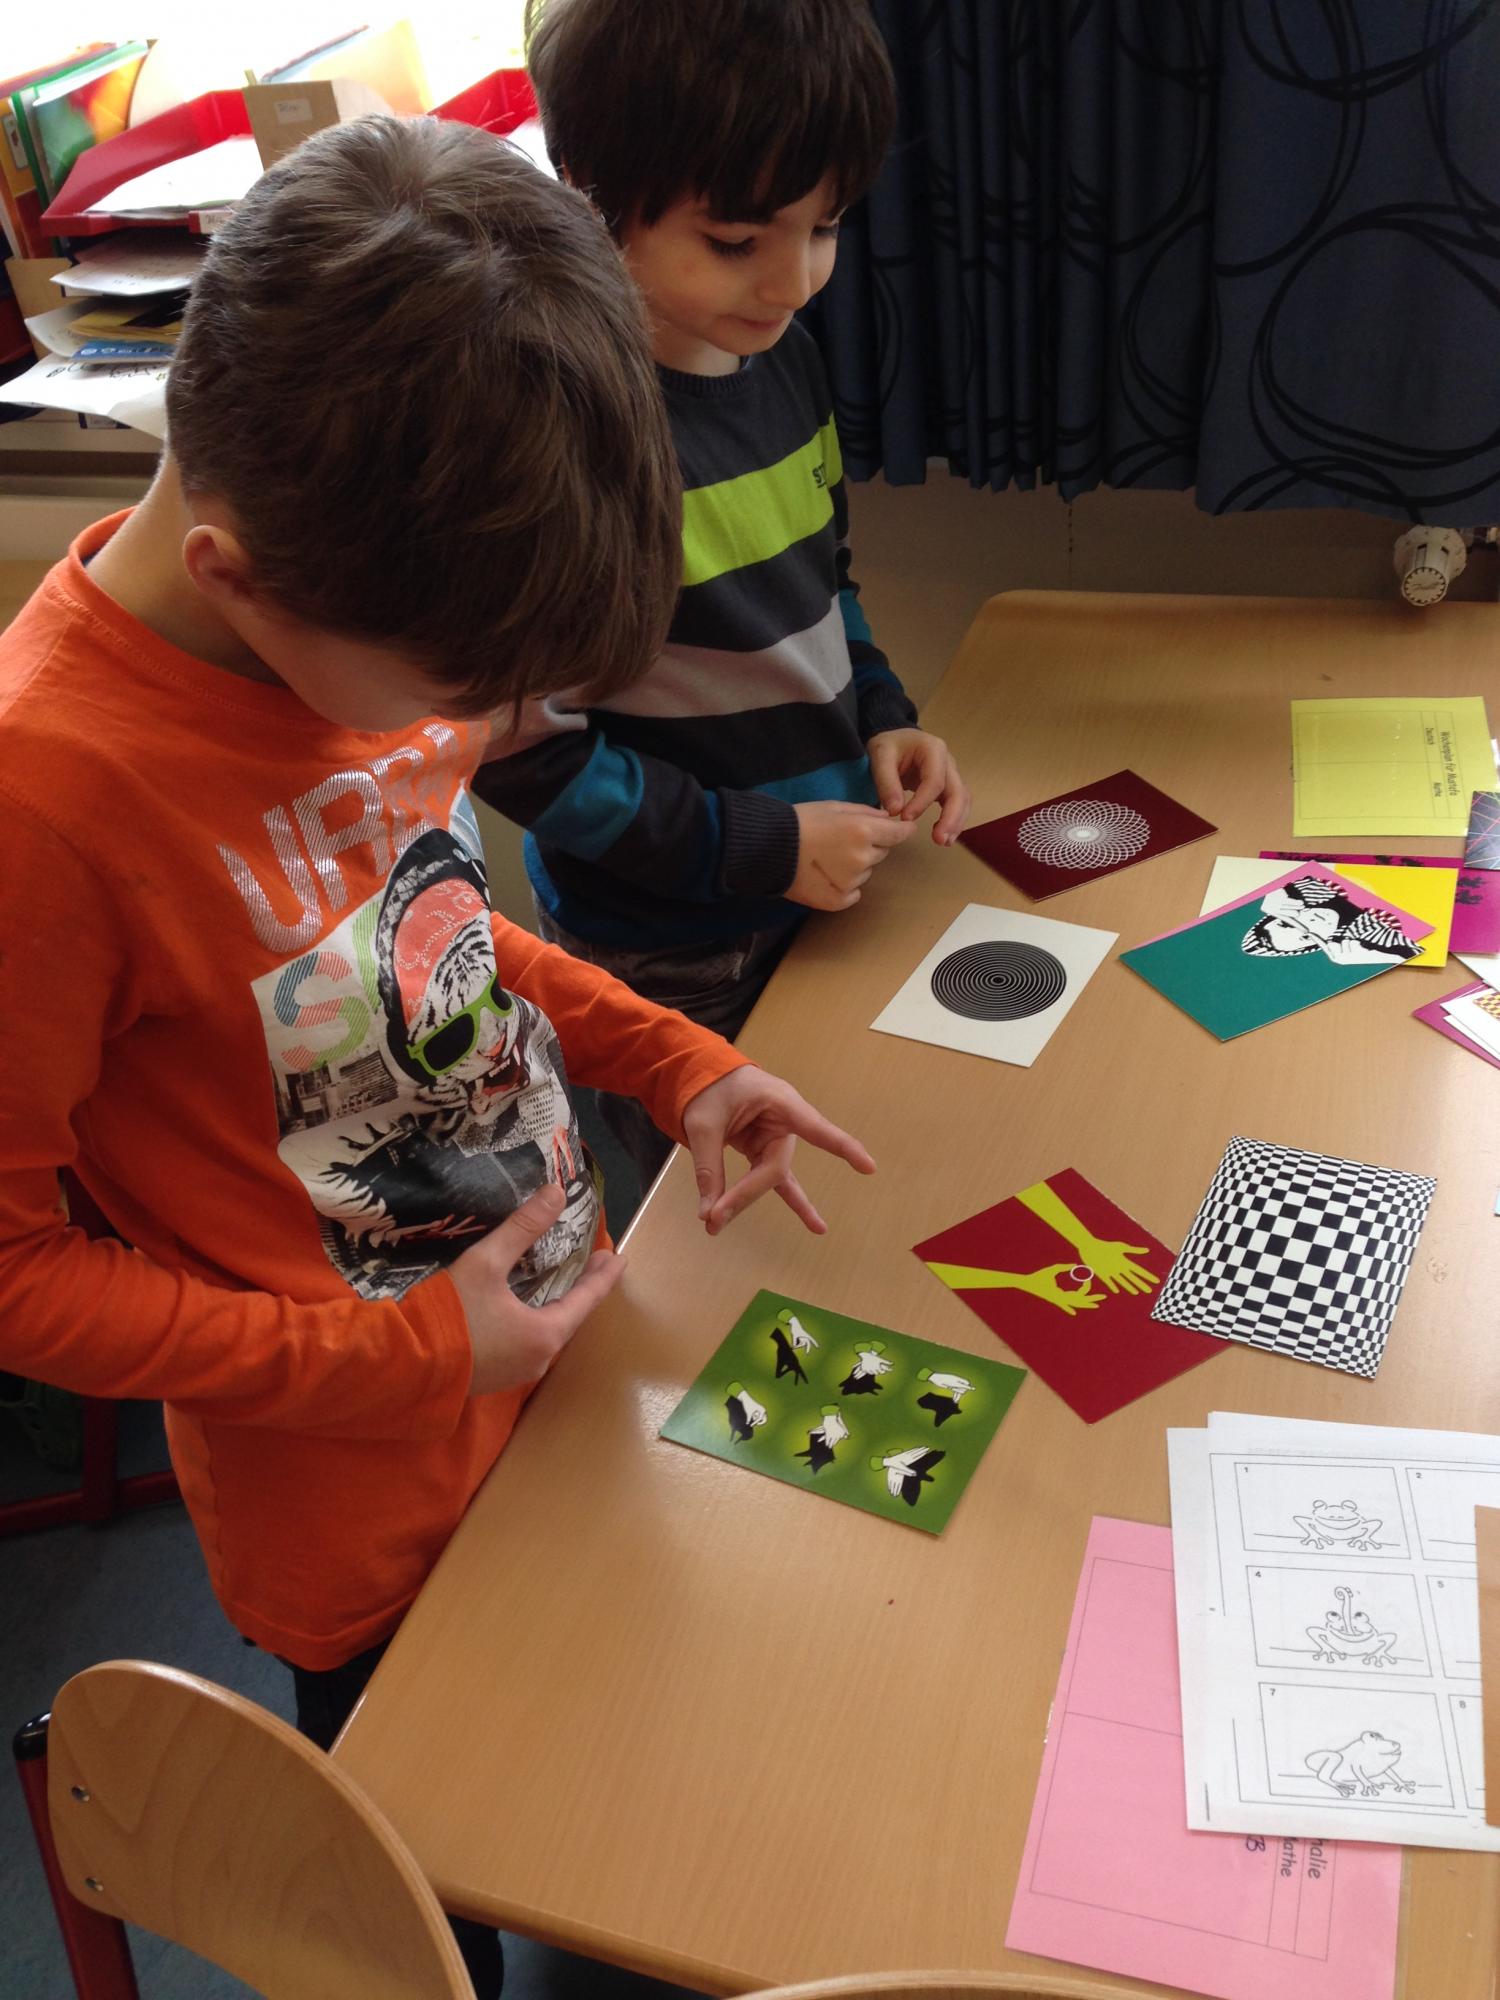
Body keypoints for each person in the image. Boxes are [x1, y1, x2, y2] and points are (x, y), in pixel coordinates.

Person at [0, 118, 875, 1995]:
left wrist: (671, 1063)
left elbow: (425, 940)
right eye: (446, 697)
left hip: (560, 1351)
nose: (468, 734)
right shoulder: (45, 810)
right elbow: (12, 1275)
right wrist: (397, 1356)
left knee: (633, 1804)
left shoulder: (360, 638)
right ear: (236, 577)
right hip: (361, 1499)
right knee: (442, 1891)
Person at [475, 0, 970, 1191]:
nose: (795, 279)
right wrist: (759, 843)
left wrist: (883, 715)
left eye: (828, 227)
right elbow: (522, 755)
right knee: (706, 1230)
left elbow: (820, 583)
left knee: (851, 1193)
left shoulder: (779, 355)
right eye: (738, 238)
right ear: (593, 190)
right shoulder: (556, 435)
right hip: (667, 949)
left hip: (819, 878)